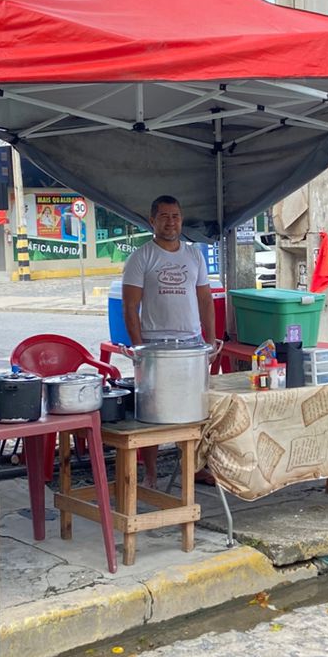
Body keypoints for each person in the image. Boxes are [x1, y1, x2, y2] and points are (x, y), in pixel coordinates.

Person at [121, 196, 216, 486]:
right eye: (164, 216)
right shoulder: (141, 257)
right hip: (154, 345)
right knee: (152, 411)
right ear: (152, 221)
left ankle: (194, 467)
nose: (170, 222)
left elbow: (204, 298)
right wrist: (140, 349)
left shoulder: (194, 255)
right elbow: (130, 307)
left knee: (194, 410)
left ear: (181, 219)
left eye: (175, 216)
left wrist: (209, 341)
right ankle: (150, 473)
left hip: (191, 343)